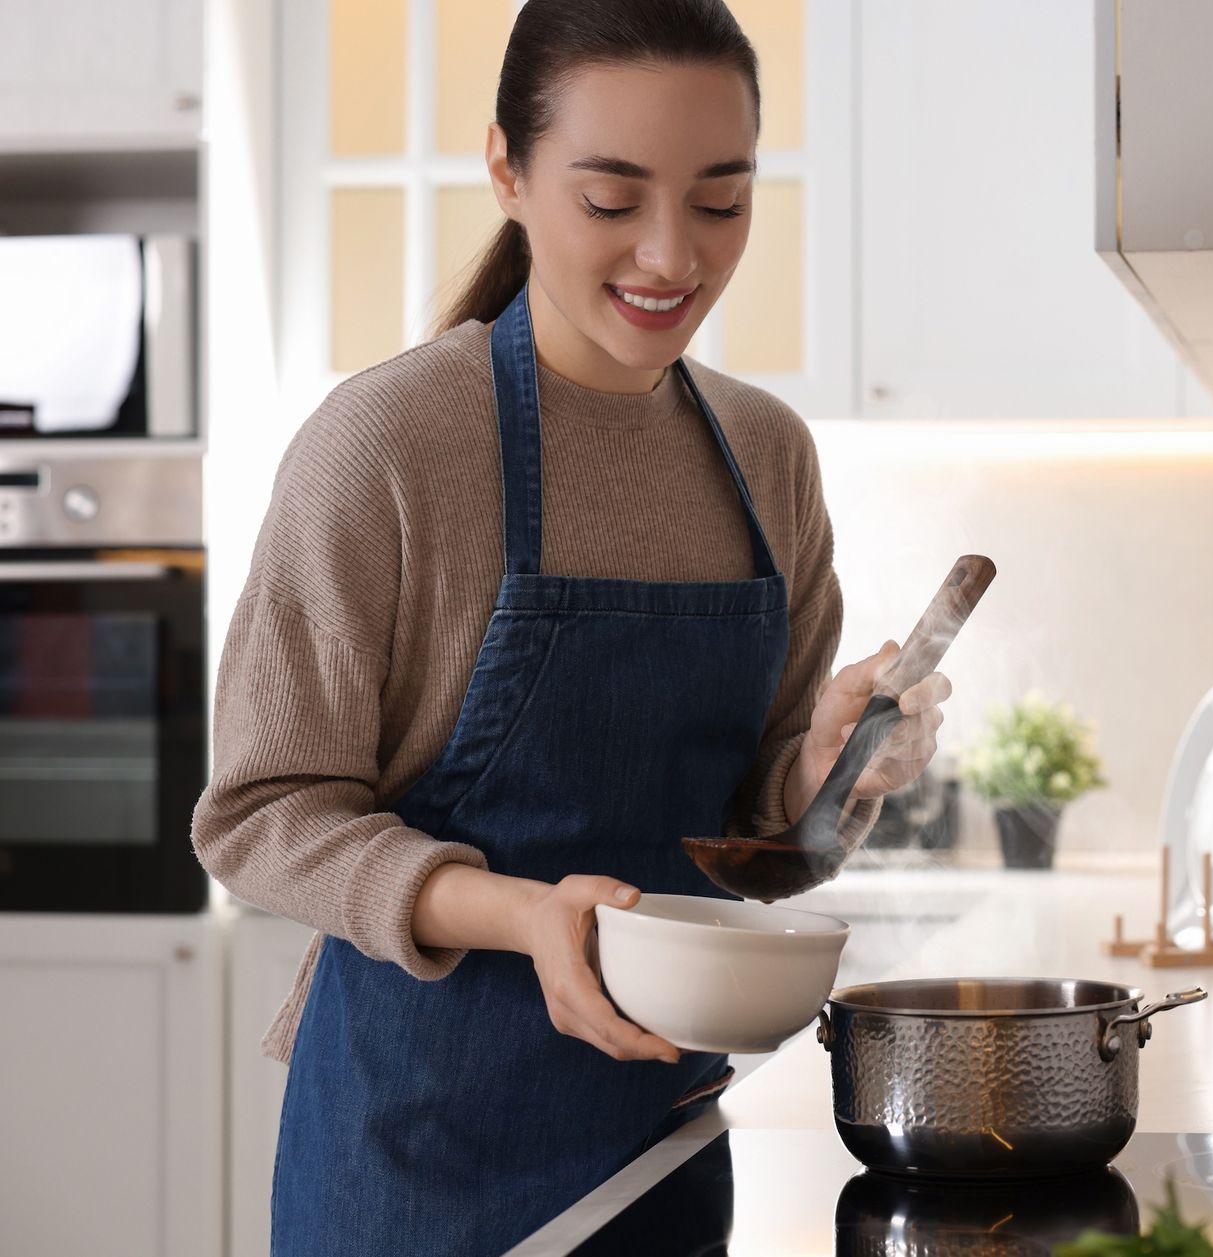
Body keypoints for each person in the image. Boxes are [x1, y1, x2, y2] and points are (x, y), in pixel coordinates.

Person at [190, 1, 952, 1252]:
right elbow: (259, 815)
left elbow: (762, 848)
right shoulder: (386, 447)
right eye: (612, 201)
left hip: (662, 1139)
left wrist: (824, 772)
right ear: (508, 169)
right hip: (415, 1156)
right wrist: (525, 914)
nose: (672, 256)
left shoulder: (767, 456)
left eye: (721, 202)